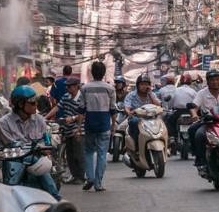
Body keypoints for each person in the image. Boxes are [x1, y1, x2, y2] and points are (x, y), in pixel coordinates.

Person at [0, 85, 60, 200]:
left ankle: (56, 200)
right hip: (14, 162)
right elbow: (12, 146)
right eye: (32, 103)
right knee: (9, 193)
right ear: (20, 104)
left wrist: (47, 146)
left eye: (36, 102)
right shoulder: (4, 123)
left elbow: (45, 139)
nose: (36, 105)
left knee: (45, 172)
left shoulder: (40, 120)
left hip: (37, 161)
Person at [79, 61, 116, 192]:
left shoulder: (84, 88)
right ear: (104, 73)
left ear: (92, 72)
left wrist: (79, 125)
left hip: (90, 123)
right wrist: (113, 126)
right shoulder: (110, 88)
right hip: (104, 123)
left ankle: (90, 177)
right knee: (101, 154)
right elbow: (113, 109)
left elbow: (81, 109)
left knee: (88, 152)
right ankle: (98, 183)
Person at [56, 77, 86, 185]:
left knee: (79, 154)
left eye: (69, 86)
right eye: (67, 86)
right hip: (67, 129)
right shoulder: (66, 96)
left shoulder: (82, 98)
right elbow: (57, 107)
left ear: (76, 86)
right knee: (70, 155)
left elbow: (84, 114)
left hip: (79, 128)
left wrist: (73, 118)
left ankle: (81, 177)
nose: (67, 88)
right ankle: (75, 176)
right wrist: (45, 117)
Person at [124, 73, 161, 154]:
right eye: (142, 84)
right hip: (137, 117)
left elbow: (158, 105)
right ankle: (136, 144)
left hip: (151, 118)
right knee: (134, 122)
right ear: (138, 85)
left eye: (146, 84)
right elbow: (127, 107)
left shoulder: (152, 94)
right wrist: (129, 112)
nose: (144, 86)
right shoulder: (131, 95)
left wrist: (150, 94)